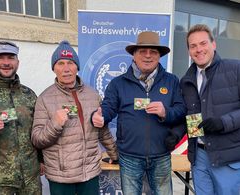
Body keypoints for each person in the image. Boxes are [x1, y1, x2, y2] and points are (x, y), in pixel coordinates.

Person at [92, 31, 187, 195]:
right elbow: (108, 107)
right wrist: (101, 116)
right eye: (143, 51)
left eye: (153, 52)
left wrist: (166, 112)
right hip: (129, 158)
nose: (148, 56)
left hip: (161, 155)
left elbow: (181, 110)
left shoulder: (171, 81)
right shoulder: (118, 83)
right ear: (134, 55)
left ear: (159, 56)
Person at [31, 40, 118, 195]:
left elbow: (102, 130)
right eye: (60, 63)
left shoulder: (93, 95)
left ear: (77, 66)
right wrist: (55, 124)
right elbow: (37, 139)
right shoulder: (44, 99)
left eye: (70, 63)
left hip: (89, 172)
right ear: (54, 69)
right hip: (61, 176)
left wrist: (115, 155)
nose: (66, 69)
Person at [180, 24, 240, 194]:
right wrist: (175, 133)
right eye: (193, 46)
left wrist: (223, 123)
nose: (199, 49)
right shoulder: (186, 81)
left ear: (214, 44)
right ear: (189, 51)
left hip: (228, 158)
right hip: (199, 158)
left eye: (203, 43)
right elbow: (188, 116)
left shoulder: (235, 69)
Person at [0, 41, 41, 194]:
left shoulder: (29, 95)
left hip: (30, 177)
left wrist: (42, 160)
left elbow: (38, 130)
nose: (6, 62)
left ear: (17, 62)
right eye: (0, 57)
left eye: (10, 57)